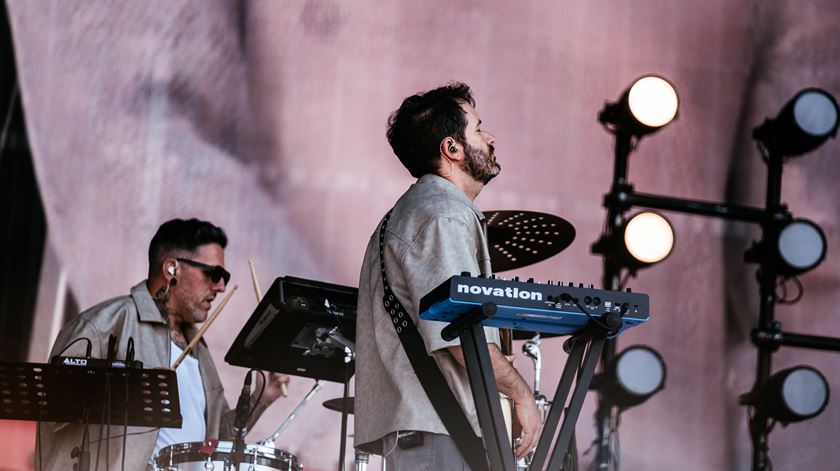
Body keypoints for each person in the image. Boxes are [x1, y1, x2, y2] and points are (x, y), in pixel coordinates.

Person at [355, 83, 541, 469]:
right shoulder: (443, 215)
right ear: (451, 149)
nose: (490, 139)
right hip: (442, 436)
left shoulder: (414, 211)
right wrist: (522, 394)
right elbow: (460, 337)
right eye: (477, 129)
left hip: (433, 433)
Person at [36, 218, 290, 470]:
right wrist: (132, 389)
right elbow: (53, 411)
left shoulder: (200, 352)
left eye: (224, 276)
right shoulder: (103, 325)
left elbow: (215, 442)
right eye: (213, 274)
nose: (221, 286)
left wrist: (261, 398)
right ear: (172, 269)